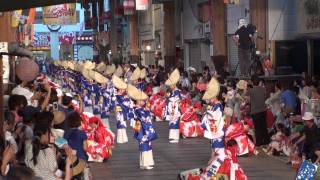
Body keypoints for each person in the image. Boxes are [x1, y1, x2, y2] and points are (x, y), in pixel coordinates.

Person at [130, 85, 157, 170]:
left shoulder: (140, 109)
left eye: (142, 100)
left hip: (144, 129)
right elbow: (145, 118)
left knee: (146, 146)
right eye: (140, 100)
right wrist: (147, 111)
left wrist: (147, 110)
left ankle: (144, 163)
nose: (142, 101)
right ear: (136, 101)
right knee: (145, 146)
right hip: (143, 130)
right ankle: (145, 164)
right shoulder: (137, 110)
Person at [247, 75, 269, 147]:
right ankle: (266, 141)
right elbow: (265, 97)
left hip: (255, 112)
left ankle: (259, 143)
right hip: (263, 110)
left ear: (252, 82)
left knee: (257, 128)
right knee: (264, 126)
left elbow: (245, 95)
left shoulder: (251, 91)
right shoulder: (263, 89)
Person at [165, 69, 182, 143]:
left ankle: (175, 138)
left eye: (171, 85)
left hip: (175, 109)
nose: (171, 86)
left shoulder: (177, 91)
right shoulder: (173, 92)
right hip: (172, 108)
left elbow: (179, 101)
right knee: (172, 123)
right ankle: (172, 136)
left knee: (175, 123)